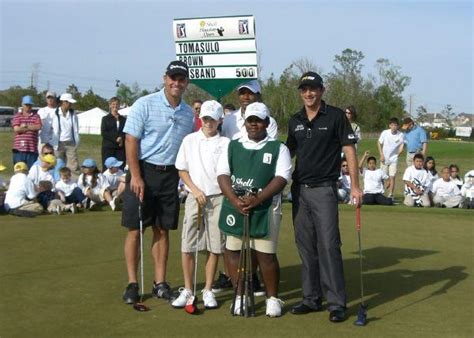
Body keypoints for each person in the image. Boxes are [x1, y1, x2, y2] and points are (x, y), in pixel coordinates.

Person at [286, 71, 363, 323]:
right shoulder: (295, 119)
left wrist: (354, 186)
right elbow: (287, 154)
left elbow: (349, 150)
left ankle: (336, 303)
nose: (309, 93)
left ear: (321, 90)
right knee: (306, 246)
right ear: (301, 92)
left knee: (329, 246)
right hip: (300, 190)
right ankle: (311, 298)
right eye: (304, 89)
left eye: (313, 89)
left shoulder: (336, 116)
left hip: (325, 190)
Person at [121, 60, 194, 305]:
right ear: (165, 78)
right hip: (143, 171)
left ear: (186, 82)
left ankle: (160, 283)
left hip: (170, 175)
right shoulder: (145, 104)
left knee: (162, 229)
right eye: (173, 78)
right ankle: (132, 283)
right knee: (136, 229)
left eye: (181, 79)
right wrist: (137, 176)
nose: (177, 82)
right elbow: (131, 140)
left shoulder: (188, 113)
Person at [217, 102, 292, 317]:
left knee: (265, 254)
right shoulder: (233, 144)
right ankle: (240, 294)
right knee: (233, 251)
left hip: (265, 208)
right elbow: (222, 174)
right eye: (250, 120)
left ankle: (272, 298)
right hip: (236, 206)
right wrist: (234, 199)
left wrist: (257, 199)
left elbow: (281, 178)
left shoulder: (278, 147)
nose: (253, 124)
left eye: (258, 120)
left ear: (266, 123)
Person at [219, 79, 276, 294]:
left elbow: (265, 150)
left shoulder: (269, 120)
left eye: (250, 93)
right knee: (232, 242)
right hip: (233, 190)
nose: (245, 96)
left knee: (257, 244)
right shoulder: (229, 120)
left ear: (257, 95)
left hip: (259, 191)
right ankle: (236, 282)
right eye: (242, 93)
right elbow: (225, 149)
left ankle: (253, 278)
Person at [172, 100, 230, 310]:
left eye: (212, 119)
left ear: (219, 120)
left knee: (215, 246)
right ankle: (188, 289)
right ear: (200, 119)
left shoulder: (225, 143)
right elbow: (182, 170)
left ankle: (207, 289)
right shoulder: (189, 140)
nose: (208, 123)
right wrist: (195, 191)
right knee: (188, 245)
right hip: (194, 197)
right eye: (205, 119)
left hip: (217, 198)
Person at [51, 93, 80, 174]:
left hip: (71, 143)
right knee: (58, 164)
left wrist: (76, 141)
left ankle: (73, 182)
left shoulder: (73, 114)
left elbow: (76, 129)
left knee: (73, 165)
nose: (70, 105)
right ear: (63, 102)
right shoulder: (55, 113)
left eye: (71, 103)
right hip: (58, 143)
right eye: (69, 103)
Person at [11, 95, 42, 169]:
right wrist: (31, 127)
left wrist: (25, 126)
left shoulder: (36, 116)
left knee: (31, 171)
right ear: (22, 105)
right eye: (26, 104)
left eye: (29, 105)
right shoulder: (17, 116)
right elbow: (16, 129)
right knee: (19, 170)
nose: (28, 106)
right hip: (19, 150)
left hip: (32, 149)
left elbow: (38, 127)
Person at [377, 117, 405, 199]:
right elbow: (379, 143)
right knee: (382, 176)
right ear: (389, 126)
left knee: (392, 176)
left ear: (398, 126)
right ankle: (380, 192)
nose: (394, 127)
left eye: (395, 125)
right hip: (384, 158)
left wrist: (397, 154)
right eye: (392, 125)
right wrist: (381, 154)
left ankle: (391, 194)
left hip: (393, 159)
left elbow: (401, 146)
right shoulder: (385, 133)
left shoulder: (401, 135)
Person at [100, 97, 126, 170]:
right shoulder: (105, 119)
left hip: (120, 148)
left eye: (117, 104)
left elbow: (125, 131)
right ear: (110, 105)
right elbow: (104, 132)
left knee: (120, 168)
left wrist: (121, 138)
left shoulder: (123, 119)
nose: (115, 106)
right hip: (108, 147)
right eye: (113, 104)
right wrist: (116, 139)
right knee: (107, 168)